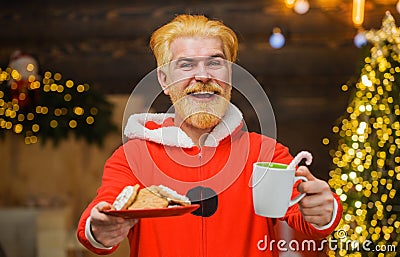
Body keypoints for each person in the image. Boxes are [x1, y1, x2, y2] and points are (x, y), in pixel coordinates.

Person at [77, 14, 342, 257]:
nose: (202, 75)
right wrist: (101, 228)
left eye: (215, 63)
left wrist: (322, 210)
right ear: (164, 81)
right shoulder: (133, 156)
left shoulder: (266, 153)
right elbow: (101, 212)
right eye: (185, 65)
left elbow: (305, 215)